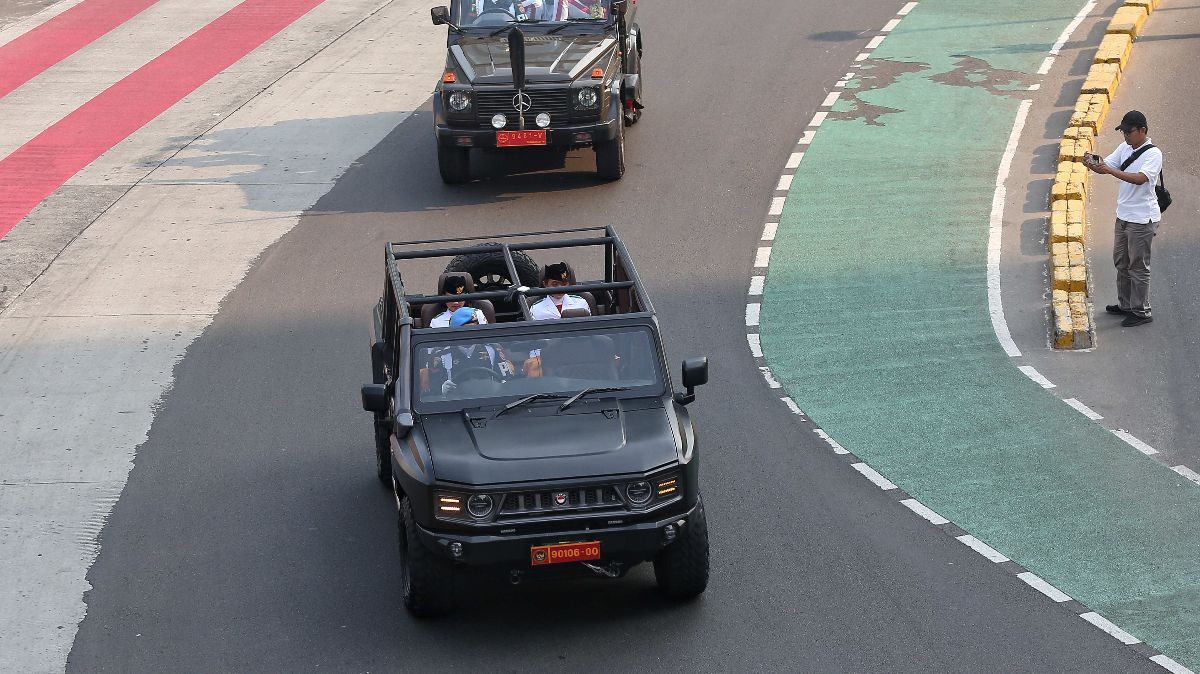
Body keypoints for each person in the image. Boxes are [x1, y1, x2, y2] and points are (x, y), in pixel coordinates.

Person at [1084, 110, 1163, 328]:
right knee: (1122, 262)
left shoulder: (1153, 154)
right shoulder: (1124, 148)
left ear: (1142, 131)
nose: (1126, 136)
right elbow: (1106, 166)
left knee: (1138, 267)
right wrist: (1093, 164)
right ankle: (1126, 304)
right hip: (1124, 215)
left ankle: (1142, 311)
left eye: (1129, 132)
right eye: (1124, 131)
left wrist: (1110, 171)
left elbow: (1140, 179)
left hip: (1142, 219)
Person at [472, 0, 543, 21]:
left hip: (508, 40)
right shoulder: (477, 2)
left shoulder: (516, 3)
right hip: (483, 39)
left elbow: (523, 25)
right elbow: (470, 23)